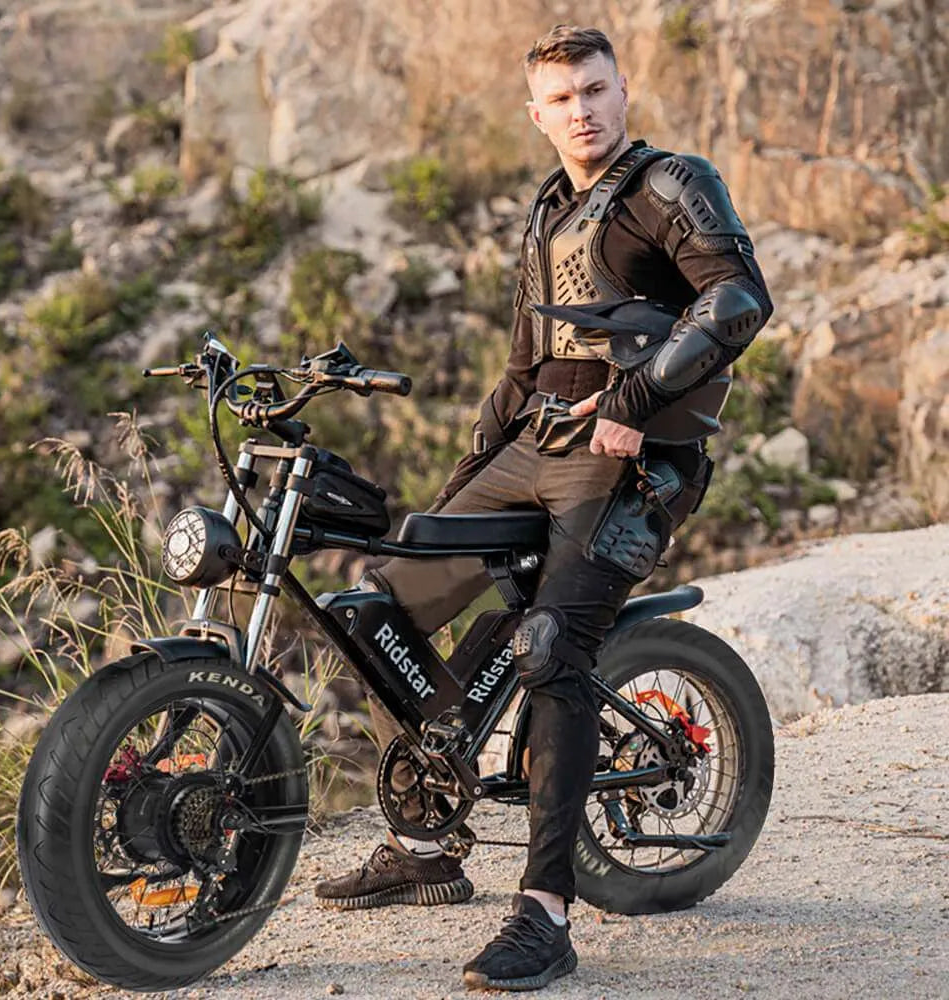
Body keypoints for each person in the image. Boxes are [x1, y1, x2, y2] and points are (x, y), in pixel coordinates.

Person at [315, 23, 773, 992]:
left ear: (621, 88)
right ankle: (426, 837)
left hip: (634, 461)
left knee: (551, 646)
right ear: (537, 115)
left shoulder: (666, 184)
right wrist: (462, 483)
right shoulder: (547, 208)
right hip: (532, 448)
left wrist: (635, 402)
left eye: (596, 89)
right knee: (377, 610)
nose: (584, 110)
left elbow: (735, 302)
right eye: (562, 99)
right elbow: (524, 366)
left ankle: (545, 912)